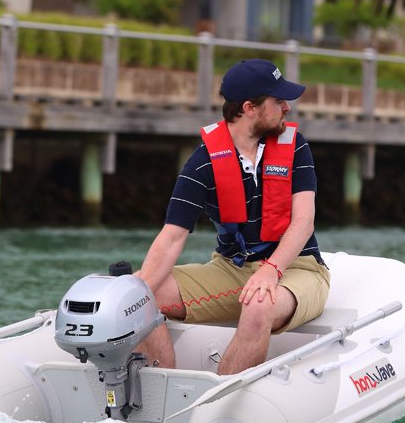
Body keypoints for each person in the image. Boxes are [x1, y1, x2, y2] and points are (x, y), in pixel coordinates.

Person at [136, 58, 330, 375]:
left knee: (258, 304)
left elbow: (303, 222)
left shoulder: (296, 148)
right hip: (232, 270)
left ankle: (218, 399)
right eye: (278, 101)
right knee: (140, 297)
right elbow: (172, 237)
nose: (287, 107)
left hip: (298, 268)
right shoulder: (203, 163)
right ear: (249, 108)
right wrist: (135, 294)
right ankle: (163, 386)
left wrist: (271, 270)